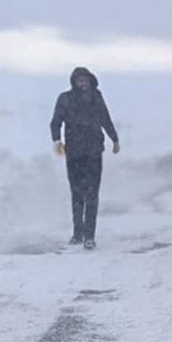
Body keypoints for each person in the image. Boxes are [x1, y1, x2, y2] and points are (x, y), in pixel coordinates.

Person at [50, 67, 120, 249]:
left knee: (92, 194)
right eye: (79, 80)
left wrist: (115, 138)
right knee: (77, 193)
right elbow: (56, 121)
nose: (82, 83)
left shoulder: (96, 98)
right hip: (73, 152)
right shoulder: (65, 99)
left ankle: (90, 236)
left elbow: (105, 118)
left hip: (94, 152)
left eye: (85, 80)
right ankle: (77, 233)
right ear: (73, 82)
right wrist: (57, 140)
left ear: (90, 81)